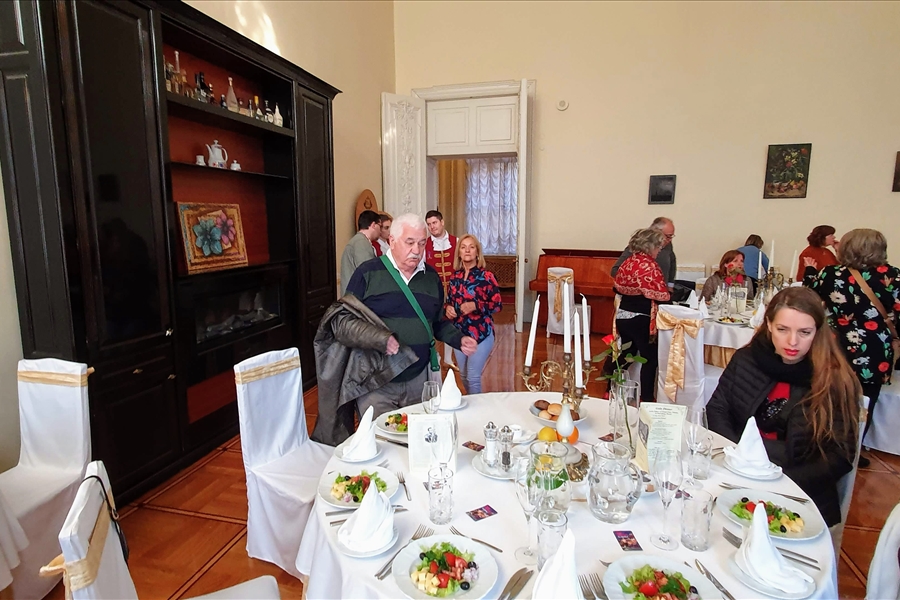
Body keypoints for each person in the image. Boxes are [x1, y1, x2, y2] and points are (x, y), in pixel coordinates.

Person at [707, 287, 861, 527]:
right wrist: (738, 458)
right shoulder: (747, 359)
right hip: (736, 475)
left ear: (818, 331)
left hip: (797, 492)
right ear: (769, 324)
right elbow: (717, 408)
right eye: (782, 329)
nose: (793, 342)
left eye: (805, 332)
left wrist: (782, 482)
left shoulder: (833, 379)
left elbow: (840, 457)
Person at [342, 213, 477, 417]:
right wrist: (379, 339)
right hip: (376, 381)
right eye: (410, 242)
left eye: (422, 243)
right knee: (380, 435)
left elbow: (437, 321)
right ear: (392, 241)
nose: (416, 250)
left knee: (421, 433)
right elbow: (345, 322)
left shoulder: (431, 277)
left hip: (419, 380)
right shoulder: (367, 273)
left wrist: (459, 339)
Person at [803, 228, 900, 468]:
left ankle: (823, 444)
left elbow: (808, 296)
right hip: (875, 347)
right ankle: (852, 450)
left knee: (830, 395)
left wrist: (810, 271)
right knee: (866, 400)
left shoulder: (831, 274)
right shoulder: (893, 276)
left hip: (836, 345)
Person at [610, 228, 671, 402]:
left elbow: (617, 287)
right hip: (641, 318)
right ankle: (646, 399)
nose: (659, 251)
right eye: (658, 247)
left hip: (623, 316)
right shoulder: (648, 265)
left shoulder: (627, 262)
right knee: (649, 359)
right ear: (650, 246)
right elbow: (662, 296)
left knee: (625, 355)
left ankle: (609, 390)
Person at [444, 234, 502, 394]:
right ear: (459, 253)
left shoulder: (487, 277)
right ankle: (474, 403)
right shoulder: (454, 277)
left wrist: (476, 305)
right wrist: (447, 308)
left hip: (481, 333)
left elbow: (497, 305)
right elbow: (449, 302)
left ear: (477, 252)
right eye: (463, 247)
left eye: (471, 247)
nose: (467, 250)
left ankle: (477, 408)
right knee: (463, 375)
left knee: (473, 376)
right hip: (459, 334)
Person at [425, 210, 459, 368]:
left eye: (434, 222)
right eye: (429, 224)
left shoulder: (456, 241)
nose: (432, 227)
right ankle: (434, 356)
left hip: (453, 291)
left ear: (442, 222)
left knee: (451, 322)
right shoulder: (425, 245)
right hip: (433, 291)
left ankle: (448, 359)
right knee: (432, 322)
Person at [611, 217, 677, 285]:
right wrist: (636, 282)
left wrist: (670, 284)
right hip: (640, 289)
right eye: (668, 236)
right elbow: (615, 270)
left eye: (671, 236)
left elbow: (672, 261)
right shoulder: (638, 246)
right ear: (656, 231)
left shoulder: (668, 244)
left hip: (662, 288)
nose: (670, 240)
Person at [339, 210, 381, 295]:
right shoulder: (361, 243)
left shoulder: (359, 241)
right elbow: (368, 273)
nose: (380, 231)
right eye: (379, 226)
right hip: (356, 296)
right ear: (373, 225)